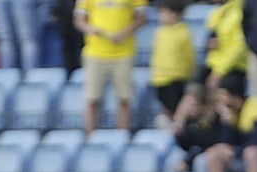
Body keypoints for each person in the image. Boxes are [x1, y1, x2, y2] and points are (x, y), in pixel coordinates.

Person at [73, 0, 147, 133]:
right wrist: (91, 29)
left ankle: (121, 135)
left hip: (124, 53)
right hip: (95, 53)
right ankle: (90, 137)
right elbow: (79, 20)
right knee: (92, 98)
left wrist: (125, 31)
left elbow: (141, 18)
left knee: (124, 98)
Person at [150, 0, 196, 122]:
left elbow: (189, 57)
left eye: (164, 12)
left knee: (175, 107)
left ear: (175, 14)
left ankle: (178, 129)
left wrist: (187, 73)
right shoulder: (159, 32)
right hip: (159, 78)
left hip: (176, 78)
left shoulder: (183, 33)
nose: (161, 16)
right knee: (165, 107)